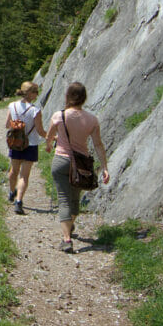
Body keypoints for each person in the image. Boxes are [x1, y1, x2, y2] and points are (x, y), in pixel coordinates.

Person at [44, 81, 109, 253]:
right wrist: (105, 167)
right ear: (84, 98)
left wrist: (49, 146)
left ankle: (66, 239)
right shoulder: (92, 120)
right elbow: (98, 145)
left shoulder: (59, 115)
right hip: (80, 164)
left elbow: (49, 136)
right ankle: (69, 225)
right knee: (74, 199)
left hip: (61, 161)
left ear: (67, 96)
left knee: (64, 199)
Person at [5, 81, 45, 215]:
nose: (37, 95)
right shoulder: (35, 110)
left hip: (15, 142)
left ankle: (11, 192)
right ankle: (19, 201)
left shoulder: (12, 106)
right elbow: (40, 131)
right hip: (31, 144)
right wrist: (52, 137)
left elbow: (7, 125)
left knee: (14, 170)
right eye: (36, 92)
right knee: (24, 175)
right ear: (31, 93)